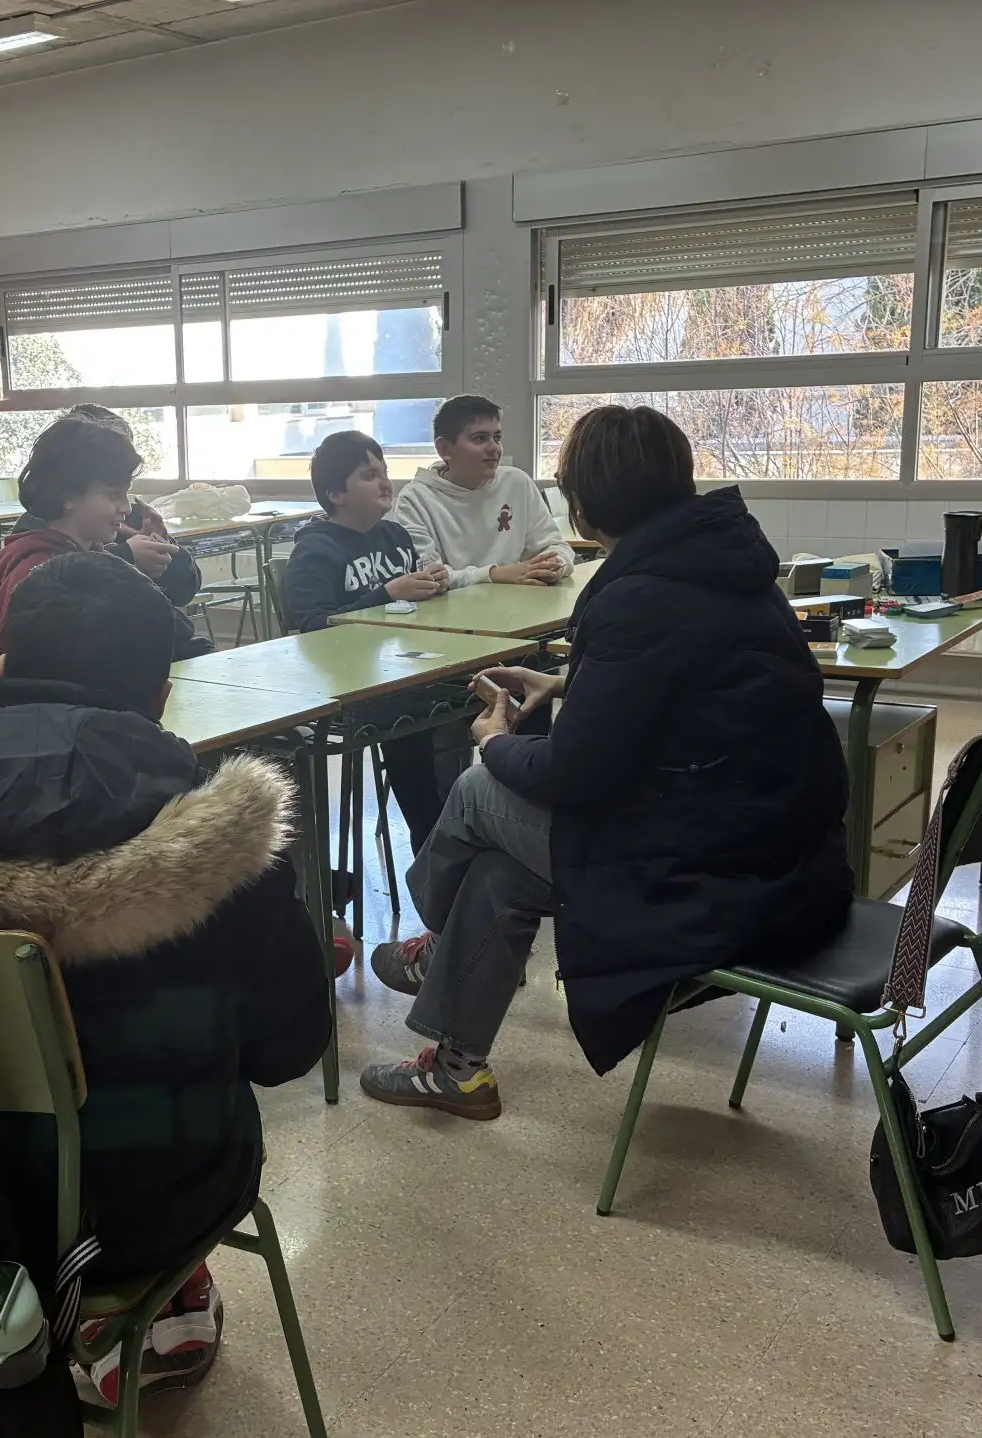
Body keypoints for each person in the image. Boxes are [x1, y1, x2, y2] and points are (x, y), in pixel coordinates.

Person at [0, 551, 331, 1402]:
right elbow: (288, 1050)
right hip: (149, 1202)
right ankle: (147, 1304)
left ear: (1, 663)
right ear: (161, 695)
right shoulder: (222, 851)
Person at [360, 405, 852, 1119]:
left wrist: (494, 741)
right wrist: (569, 684)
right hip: (780, 850)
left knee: (475, 789)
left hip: (708, 873)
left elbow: (573, 774)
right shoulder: (726, 565)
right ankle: (459, 1070)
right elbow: (691, 687)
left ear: (586, 504)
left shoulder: (638, 597)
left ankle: (434, 941)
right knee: (499, 873)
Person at [283, 429, 459, 851]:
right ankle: (433, 843)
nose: (385, 482)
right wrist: (387, 595)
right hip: (349, 684)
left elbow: (408, 607)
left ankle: (468, 823)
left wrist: (431, 586)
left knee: (498, 687)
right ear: (336, 494)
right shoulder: (315, 551)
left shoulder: (394, 536)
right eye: (368, 475)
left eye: (384, 471)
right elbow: (311, 628)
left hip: (407, 666)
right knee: (410, 718)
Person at [0, 415, 212, 658]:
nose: (126, 508)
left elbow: (173, 631)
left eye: (125, 494)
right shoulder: (37, 572)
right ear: (68, 496)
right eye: (113, 495)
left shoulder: (97, 555)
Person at [390, 394, 575, 590]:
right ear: (444, 449)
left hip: (517, 603)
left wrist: (553, 567)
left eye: (497, 438)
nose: (494, 447)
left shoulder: (517, 482)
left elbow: (557, 547)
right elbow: (429, 577)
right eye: (480, 438)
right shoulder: (415, 499)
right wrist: (493, 575)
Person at [61, 402, 204, 609]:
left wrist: (163, 544)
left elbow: (183, 590)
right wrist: (127, 558)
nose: (125, 507)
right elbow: (65, 595)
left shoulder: (136, 515)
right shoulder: (41, 528)